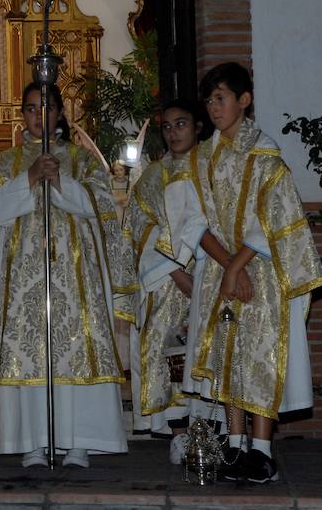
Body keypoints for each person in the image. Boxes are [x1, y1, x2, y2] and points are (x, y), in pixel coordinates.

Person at [0, 82, 136, 468]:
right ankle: (32, 441)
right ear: (23, 114)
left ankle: (79, 441)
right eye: (29, 108)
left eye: (45, 107)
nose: (37, 115)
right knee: (30, 354)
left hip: (75, 276)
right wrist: (28, 178)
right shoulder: (5, 164)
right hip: (25, 278)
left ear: (60, 112)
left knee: (74, 350)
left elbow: (101, 208)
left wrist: (59, 180)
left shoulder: (84, 160)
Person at [178, 62, 322, 483]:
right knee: (227, 355)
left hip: (261, 274)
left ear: (244, 100)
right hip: (223, 270)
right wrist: (226, 267)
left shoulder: (265, 155)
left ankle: (261, 450)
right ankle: (235, 442)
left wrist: (238, 266)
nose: (213, 107)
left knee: (257, 356)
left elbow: (273, 217)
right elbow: (190, 220)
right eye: (209, 99)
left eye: (220, 98)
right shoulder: (200, 157)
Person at [122, 99, 221, 464]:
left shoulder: (213, 168)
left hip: (212, 275)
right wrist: (179, 274)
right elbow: (140, 230)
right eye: (167, 126)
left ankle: (213, 431)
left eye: (181, 124)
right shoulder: (152, 177)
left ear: (198, 127)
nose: (173, 131)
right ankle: (179, 433)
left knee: (210, 351)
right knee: (170, 352)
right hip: (166, 282)